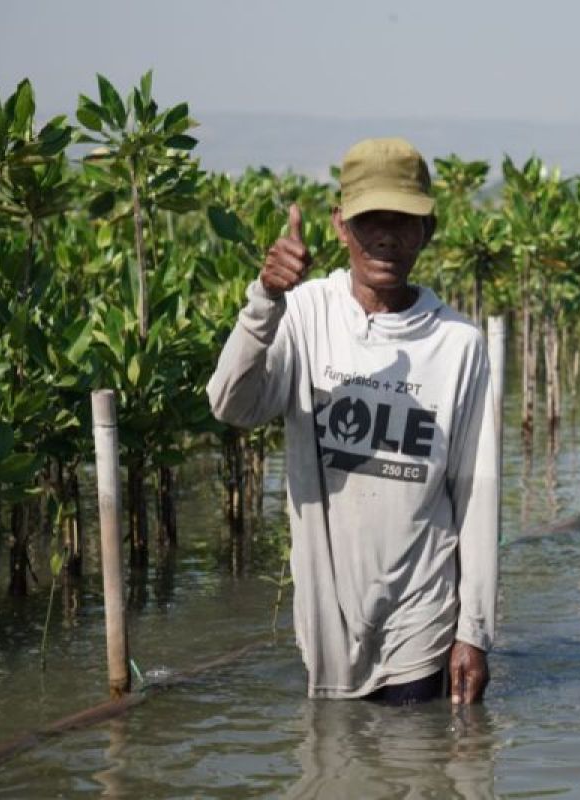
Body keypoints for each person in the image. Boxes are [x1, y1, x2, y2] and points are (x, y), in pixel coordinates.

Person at [207, 137, 498, 705]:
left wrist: (475, 633)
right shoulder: (305, 311)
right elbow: (229, 405)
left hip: (424, 617)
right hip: (325, 618)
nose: (386, 235)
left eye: (403, 220)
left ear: (427, 231)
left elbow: (477, 494)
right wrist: (264, 301)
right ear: (341, 225)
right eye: (370, 220)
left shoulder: (460, 344)